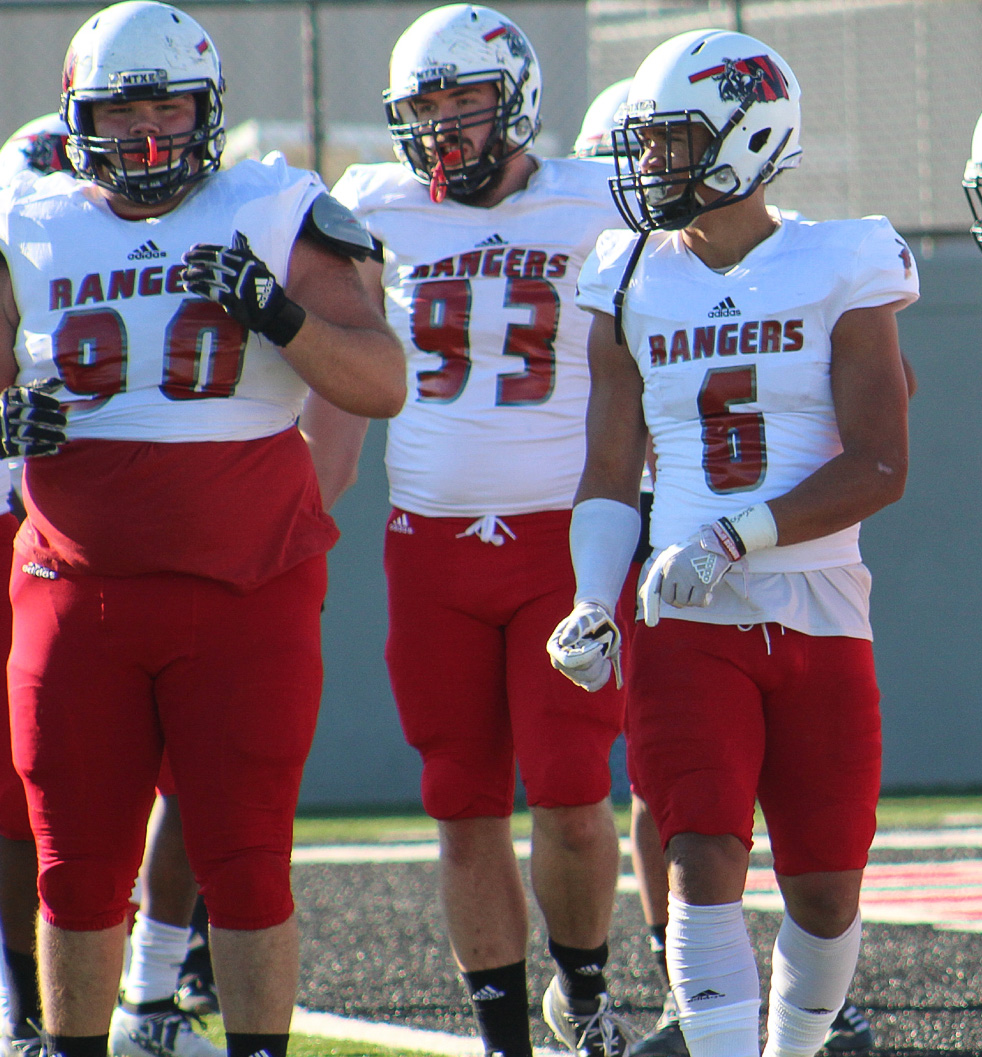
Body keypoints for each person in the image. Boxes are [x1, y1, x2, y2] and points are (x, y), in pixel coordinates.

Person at [0, 3, 405, 1056]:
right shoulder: (29, 221)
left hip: (244, 589)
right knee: (73, 864)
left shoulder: (275, 207)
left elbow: (382, 380)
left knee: (247, 856)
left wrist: (278, 314)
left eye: (166, 107)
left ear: (208, 109)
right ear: (75, 117)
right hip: (74, 586)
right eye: (120, 111)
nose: (144, 135)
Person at [548, 27, 915, 1057]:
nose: (651, 165)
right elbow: (608, 466)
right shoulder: (623, 276)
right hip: (685, 611)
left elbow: (881, 466)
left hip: (815, 602)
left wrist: (733, 532)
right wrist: (588, 596)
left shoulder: (840, 260)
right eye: (649, 144)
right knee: (699, 846)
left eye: (671, 142)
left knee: (826, 882)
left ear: (747, 138)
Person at [329, 8, 633, 1057]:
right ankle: (502, 1033)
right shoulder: (371, 205)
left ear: (515, 100)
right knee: (459, 801)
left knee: (572, 793)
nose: (444, 127)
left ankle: (583, 987)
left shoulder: (598, 198)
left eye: (463, 101)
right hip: (428, 542)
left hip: (563, 534)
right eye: (424, 108)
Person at [0, 114, 222, 1053]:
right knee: (26, 794)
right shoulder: (22, 242)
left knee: (202, 772)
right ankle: (30, 1008)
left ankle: (151, 990)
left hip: (162, 524)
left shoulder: (199, 229)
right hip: (34, 535)